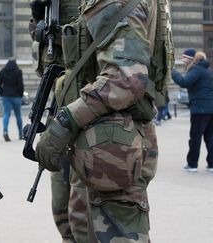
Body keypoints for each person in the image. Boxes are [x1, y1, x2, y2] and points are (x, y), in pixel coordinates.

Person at [34, 0, 173, 242]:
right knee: (78, 228)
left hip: (111, 142)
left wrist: (64, 122)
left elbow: (125, 78)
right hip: (101, 138)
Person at [29, 0, 81, 242]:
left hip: (91, 110)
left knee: (89, 211)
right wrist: (38, 21)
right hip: (60, 109)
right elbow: (46, 65)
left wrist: (60, 35)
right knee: (62, 205)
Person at [172, 50, 213, 173]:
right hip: (210, 108)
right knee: (210, 137)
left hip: (200, 109)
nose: (183, 60)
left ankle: (192, 164)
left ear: (191, 59)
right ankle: (211, 164)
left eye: (184, 57)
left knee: (195, 137)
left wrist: (173, 72)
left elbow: (184, 82)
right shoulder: (208, 70)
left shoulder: (196, 70)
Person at [0, 58, 24, 141]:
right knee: (18, 115)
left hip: (6, 96)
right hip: (16, 96)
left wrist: (3, 93)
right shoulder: (18, 72)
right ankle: (20, 134)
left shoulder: (2, 71)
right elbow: (20, 85)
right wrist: (20, 94)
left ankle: (5, 131)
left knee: (6, 114)